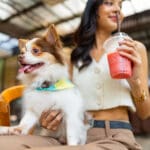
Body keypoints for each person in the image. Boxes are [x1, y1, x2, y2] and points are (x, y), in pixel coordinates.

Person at [0, 0, 150, 150]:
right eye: (109, 3)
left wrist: (135, 83)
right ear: (93, 9)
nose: (117, 9)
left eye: (121, 6)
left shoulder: (134, 48)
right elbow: (61, 100)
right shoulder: (75, 57)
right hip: (69, 134)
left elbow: (145, 113)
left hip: (113, 135)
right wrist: (48, 118)